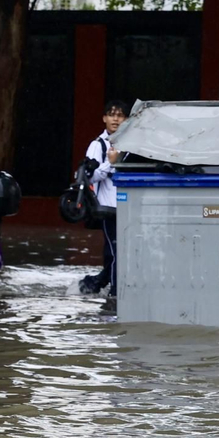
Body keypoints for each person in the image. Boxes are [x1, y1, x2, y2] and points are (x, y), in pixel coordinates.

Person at [78, 100, 127, 298]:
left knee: (117, 252)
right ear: (104, 118)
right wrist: (110, 164)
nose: (115, 119)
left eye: (120, 115)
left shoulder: (131, 145)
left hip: (130, 207)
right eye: (111, 114)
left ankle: (93, 284)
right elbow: (90, 176)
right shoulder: (97, 145)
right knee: (116, 251)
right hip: (108, 209)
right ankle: (115, 296)